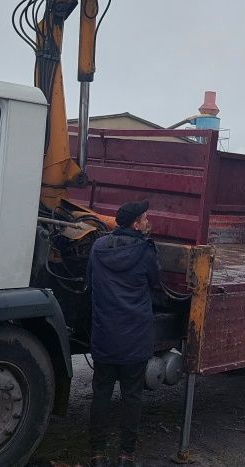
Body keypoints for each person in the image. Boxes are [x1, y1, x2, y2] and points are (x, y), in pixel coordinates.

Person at [87, 200, 161, 467]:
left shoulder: (97, 248)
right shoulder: (145, 251)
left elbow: (90, 282)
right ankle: (125, 456)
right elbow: (155, 281)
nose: (148, 221)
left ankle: (97, 454)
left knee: (101, 395)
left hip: (105, 337)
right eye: (145, 218)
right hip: (135, 339)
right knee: (132, 396)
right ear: (136, 223)